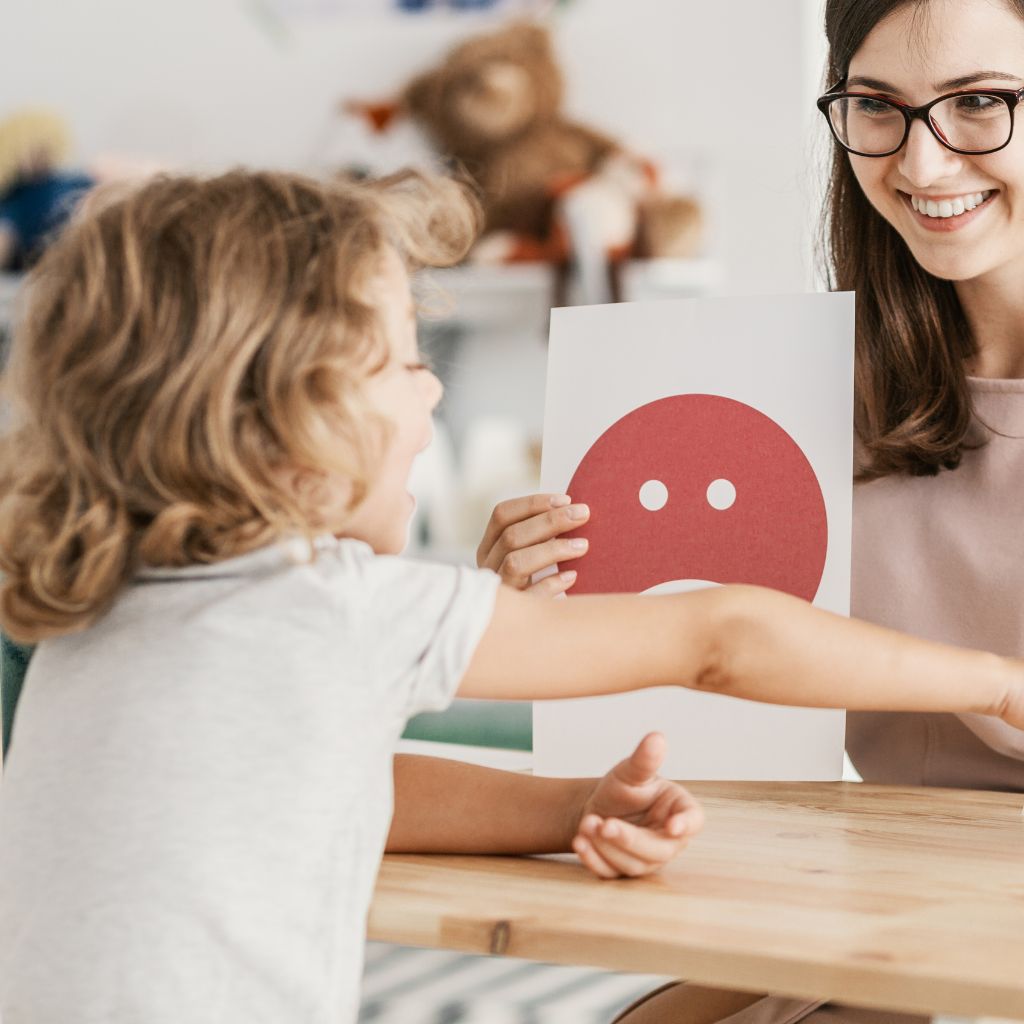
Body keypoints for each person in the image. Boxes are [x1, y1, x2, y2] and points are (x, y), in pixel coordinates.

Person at [0, 170, 1021, 1024]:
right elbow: (721, 632)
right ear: (278, 413)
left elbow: (340, 784)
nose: (432, 390)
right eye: (405, 358)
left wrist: (569, 804)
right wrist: (995, 682)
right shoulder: (330, 607)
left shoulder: (97, 619)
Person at [478, 0, 1024, 1021]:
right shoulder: (800, 395)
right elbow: (704, 681)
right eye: (878, 107)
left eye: (981, 102)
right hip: (884, 903)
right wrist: (536, 603)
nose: (923, 162)